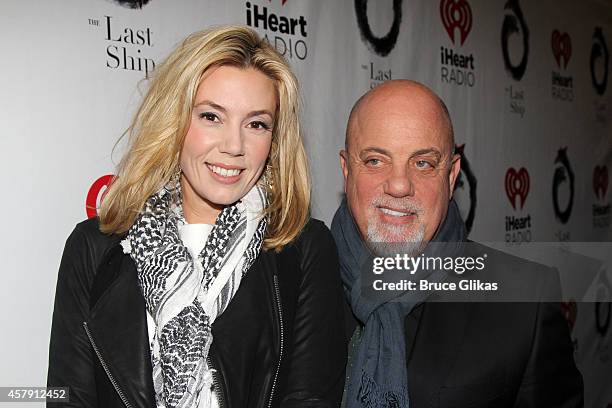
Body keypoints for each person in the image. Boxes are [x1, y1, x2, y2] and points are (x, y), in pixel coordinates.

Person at [48, 26, 347, 408]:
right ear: (175, 120)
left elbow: (311, 400)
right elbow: (66, 398)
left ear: (274, 139)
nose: (234, 146)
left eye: (257, 124)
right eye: (211, 117)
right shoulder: (94, 248)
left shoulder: (303, 250)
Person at [331, 80, 583, 407]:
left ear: (451, 178)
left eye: (423, 163)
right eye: (376, 160)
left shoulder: (524, 302)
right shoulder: (293, 283)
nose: (398, 185)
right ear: (347, 169)